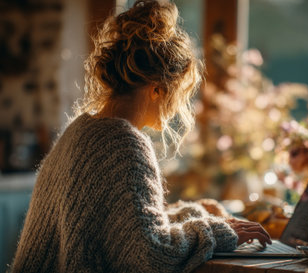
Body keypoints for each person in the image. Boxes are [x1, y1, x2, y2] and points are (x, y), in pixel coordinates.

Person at [11, 1, 271, 272]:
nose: (179, 106)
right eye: (181, 93)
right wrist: (218, 233)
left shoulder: (80, 131)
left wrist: (194, 214)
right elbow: (152, 255)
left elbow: (123, 230)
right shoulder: (124, 143)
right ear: (157, 89)